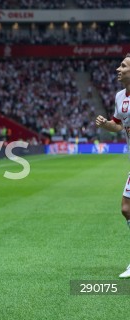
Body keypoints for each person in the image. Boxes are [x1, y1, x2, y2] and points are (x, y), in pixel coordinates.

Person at [95, 52, 130, 279]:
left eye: (123, 65)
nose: (118, 69)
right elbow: (118, 126)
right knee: (126, 209)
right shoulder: (120, 96)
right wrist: (106, 124)